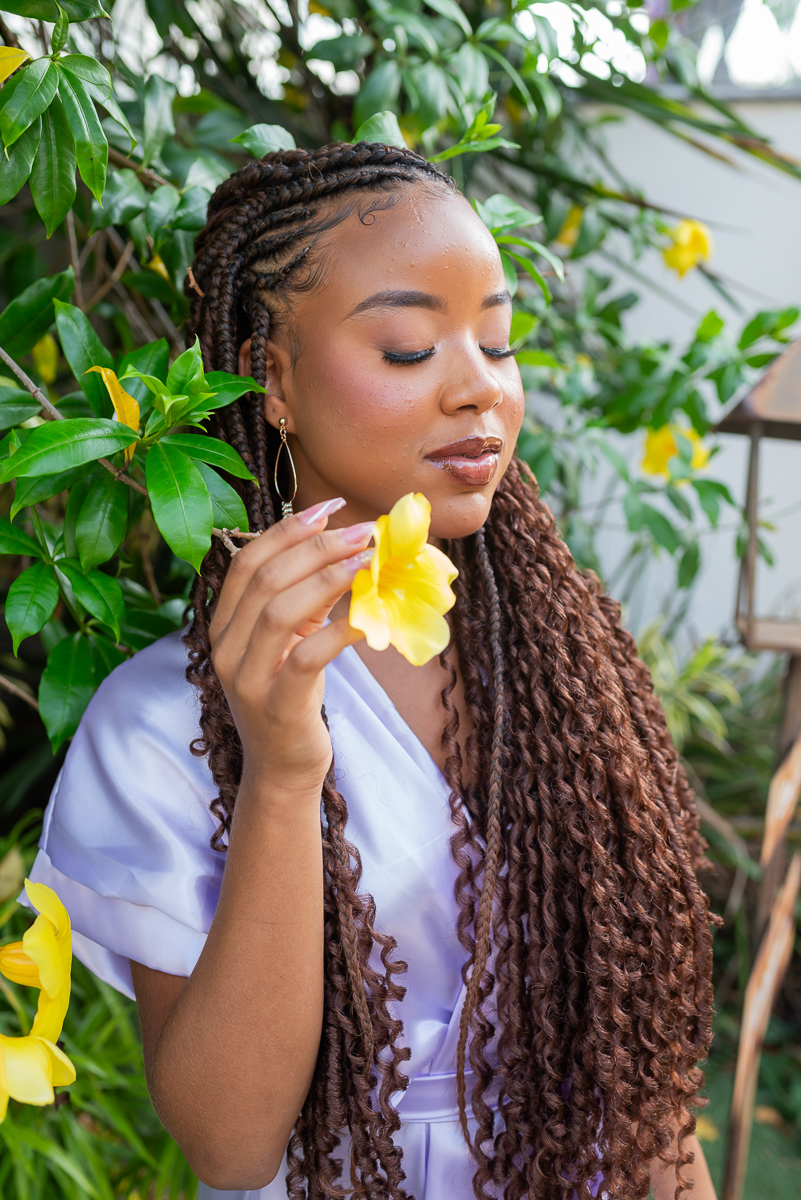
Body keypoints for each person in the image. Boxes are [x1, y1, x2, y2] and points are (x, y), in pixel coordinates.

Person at [28, 143, 718, 1200]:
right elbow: (232, 1145)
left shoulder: (568, 676)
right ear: (273, 378)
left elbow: (650, 1096)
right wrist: (284, 769)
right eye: (407, 348)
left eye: (497, 340)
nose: (480, 388)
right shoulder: (160, 724)